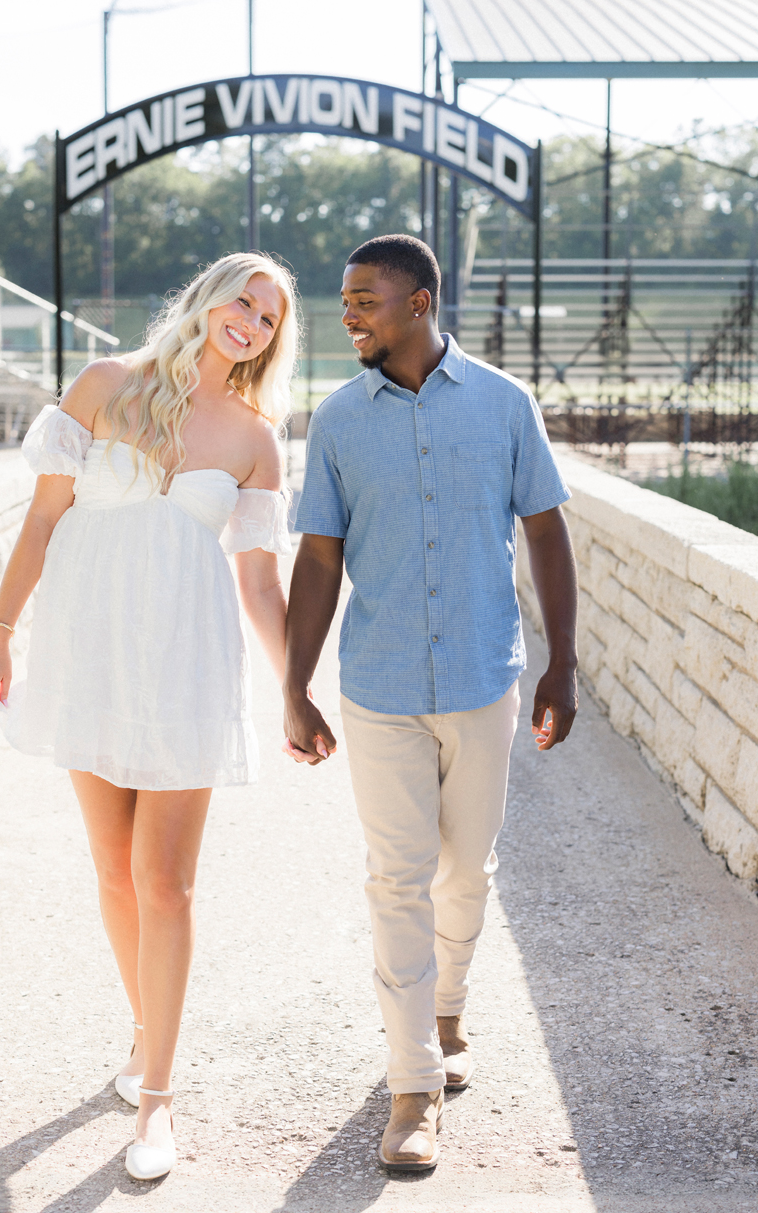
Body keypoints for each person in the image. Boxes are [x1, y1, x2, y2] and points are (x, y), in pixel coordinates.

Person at [0, 253, 298, 1182]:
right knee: (113, 871)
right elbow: (41, 522)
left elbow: (259, 581)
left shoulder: (253, 439)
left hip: (187, 666)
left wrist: (295, 690)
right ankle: (147, 1037)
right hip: (88, 655)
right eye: (243, 300)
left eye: (269, 319)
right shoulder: (105, 385)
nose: (250, 322)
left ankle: (157, 1100)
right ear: (206, 297)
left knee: (166, 884)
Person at [283, 234, 577, 1173]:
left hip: (485, 679)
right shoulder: (335, 421)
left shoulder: (503, 405)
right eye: (343, 298)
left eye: (364, 297)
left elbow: (546, 531)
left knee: (467, 873)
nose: (348, 313)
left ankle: (446, 1006)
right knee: (396, 878)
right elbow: (320, 558)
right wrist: (294, 685)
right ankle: (412, 1086)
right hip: (379, 688)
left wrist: (561, 665)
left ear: (419, 302)